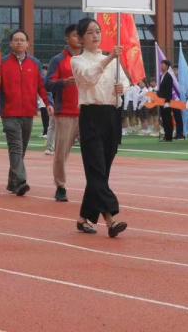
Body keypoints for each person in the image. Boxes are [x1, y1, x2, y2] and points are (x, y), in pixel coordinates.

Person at [70, 17, 128, 237]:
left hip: (111, 116)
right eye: (90, 32)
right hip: (91, 116)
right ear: (80, 38)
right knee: (96, 169)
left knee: (101, 172)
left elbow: (125, 82)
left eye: (98, 31)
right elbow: (89, 78)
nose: (95, 36)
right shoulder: (77, 61)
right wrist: (110, 58)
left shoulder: (112, 60)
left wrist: (122, 88)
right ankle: (111, 219)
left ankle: (84, 218)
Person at [0, 29, 48, 196]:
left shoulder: (35, 63)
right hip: (9, 112)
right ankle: (21, 181)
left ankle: (12, 183)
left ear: (27, 44)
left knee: (21, 149)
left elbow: (41, 86)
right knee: (16, 147)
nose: (19, 42)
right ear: (11, 43)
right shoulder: (2, 63)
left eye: (22, 40)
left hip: (28, 111)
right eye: (16, 40)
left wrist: (48, 103)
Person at [45, 24, 82, 202]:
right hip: (66, 112)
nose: (79, 38)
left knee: (94, 152)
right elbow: (48, 84)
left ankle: (96, 185)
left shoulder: (88, 58)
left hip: (88, 112)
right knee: (61, 153)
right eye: (75, 35)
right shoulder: (58, 60)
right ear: (67, 38)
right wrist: (63, 82)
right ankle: (60, 186)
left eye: (81, 35)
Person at [156, 59, 176, 141]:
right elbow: (161, 89)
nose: (161, 66)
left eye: (163, 65)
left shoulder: (168, 77)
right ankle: (166, 134)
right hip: (161, 101)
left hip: (166, 101)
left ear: (167, 66)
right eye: (161, 65)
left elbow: (168, 90)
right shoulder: (162, 76)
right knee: (164, 119)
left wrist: (167, 101)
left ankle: (169, 136)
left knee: (168, 118)